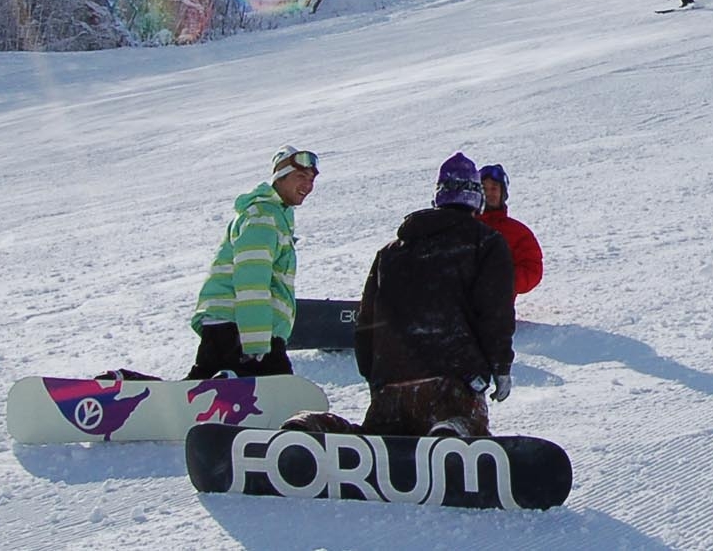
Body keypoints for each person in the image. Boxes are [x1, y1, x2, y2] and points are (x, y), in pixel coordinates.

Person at [355, 152, 515, 438]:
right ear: (476, 198)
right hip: (453, 381)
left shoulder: (391, 252)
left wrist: (376, 378)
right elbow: (494, 312)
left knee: (380, 436)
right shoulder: (486, 243)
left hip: (391, 386)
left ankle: (313, 428)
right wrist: (501, 365)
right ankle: (450, 435)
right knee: (462, 424)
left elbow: (367, 321)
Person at [186, 145, 317, 380]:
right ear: (280, 178)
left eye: (311, 179)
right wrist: (256, 342)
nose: (308, 186)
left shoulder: (275, 215)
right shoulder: (264, 217)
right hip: (241, 330)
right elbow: (251, 279)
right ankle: (127, 390)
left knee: (201, 395)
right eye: (300, 177)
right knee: (282, 398)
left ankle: (130, 391)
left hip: (237, 327)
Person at [477, 163, 543, 298]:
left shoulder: (518, 233)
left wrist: (502, 280)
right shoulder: (462, 225)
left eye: (494, 188)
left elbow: (531, 270)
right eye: (484, 189)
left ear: (502, 193)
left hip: (496, 310)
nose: (489, 193)